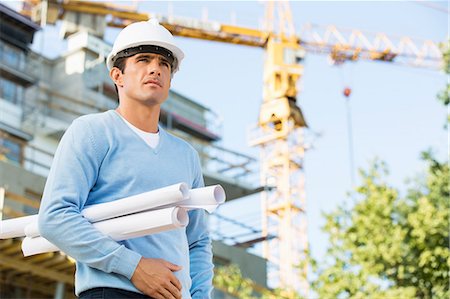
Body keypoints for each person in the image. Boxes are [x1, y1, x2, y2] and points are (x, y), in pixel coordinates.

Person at [38, 19, 214, 299]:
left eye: (164, 63)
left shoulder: (186, 156)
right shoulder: (92, 132)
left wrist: (201, 295)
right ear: (117, 75)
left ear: (169, 80)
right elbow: (55, 217)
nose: (156, 68)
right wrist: (134, 268)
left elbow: (198, 241)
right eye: (143, 59)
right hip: (112, 291)